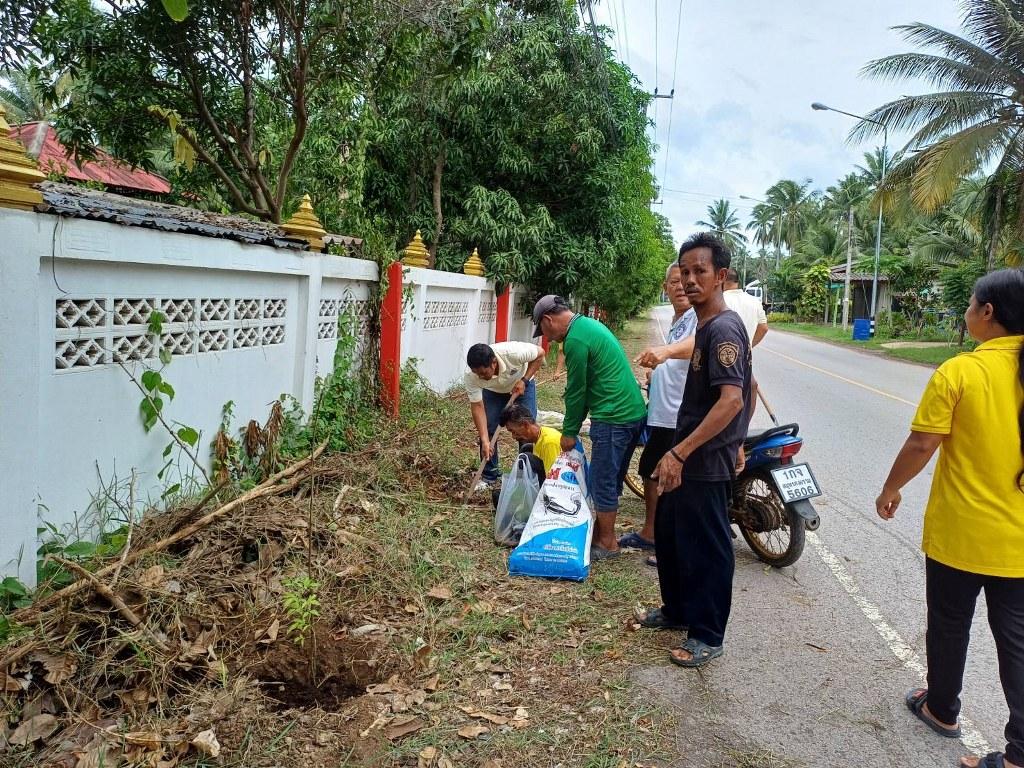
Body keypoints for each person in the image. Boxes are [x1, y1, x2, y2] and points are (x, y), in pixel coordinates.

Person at [875, 268, 1024, 768]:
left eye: (970, 303)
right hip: (1018, 542)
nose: (966, 311)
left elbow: (922, 443)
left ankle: (942, 709)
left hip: (961, 534)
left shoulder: (961, 372)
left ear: (988, 313)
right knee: (1017, 643)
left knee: (949, 623)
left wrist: (891, 487)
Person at [639, 232, 752, 669]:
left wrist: (681, 453)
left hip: (702, 461)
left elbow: (733, 399)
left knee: (708, 547)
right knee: (668, 534)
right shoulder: (702, 325)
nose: (689, 279)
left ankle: (707, 633)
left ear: (720, 276)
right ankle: (677, 610)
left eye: (699, 271)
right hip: (688, 453)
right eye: (684, 272)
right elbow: (750, 387)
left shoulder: (723, 328)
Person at [532, 294, 647, 560]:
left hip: (613, 417)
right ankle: (601, 533)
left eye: (544, 331)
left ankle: (607, 543)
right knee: (612, 476)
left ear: (548, 320)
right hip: (633, 412)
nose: (547, 338)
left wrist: (569, 431)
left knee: (602, 480)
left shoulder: (575, 339)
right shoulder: (588, 326)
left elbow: (576, 390)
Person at [620, 263, 696, 565]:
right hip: (664, 413)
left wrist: (664, 354)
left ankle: (665, 539)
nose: (681, 286)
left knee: (665, 475)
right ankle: (655, 533)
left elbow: (697, 345)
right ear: (665, 288)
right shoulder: (678, 320)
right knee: (652, 471)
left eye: (686, 281)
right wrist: (657, 374)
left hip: (679, 414)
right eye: (674, 282)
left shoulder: (696, 318)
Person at [464, 341, 545, 490]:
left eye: (483, 373)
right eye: (477, 374)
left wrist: (524, 380)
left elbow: (540, 353)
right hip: (493, 392)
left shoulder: (514, 353)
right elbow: (477, 406)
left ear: (494, 363)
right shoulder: (471, 376)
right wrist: (484, 439)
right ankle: (489, 476)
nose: (480, 377)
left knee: (526, 430)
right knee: (488, 431)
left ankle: (527, 474)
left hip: (521, 387)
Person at [499, 402, 563, 476]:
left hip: (559, 482)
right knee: (526, 449)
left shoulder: (549, 443)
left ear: (525, 425)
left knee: (526, 458)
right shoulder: (539, 436)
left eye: (513, 431)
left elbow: (554, 479)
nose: (513, 436)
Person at [723, 268, 768, 347]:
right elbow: (763, 328)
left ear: (722, 279)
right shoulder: (755, 302)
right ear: (737, 281)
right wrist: (749, 347)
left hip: (722, 354)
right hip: (745, 356)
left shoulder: (719, 301)